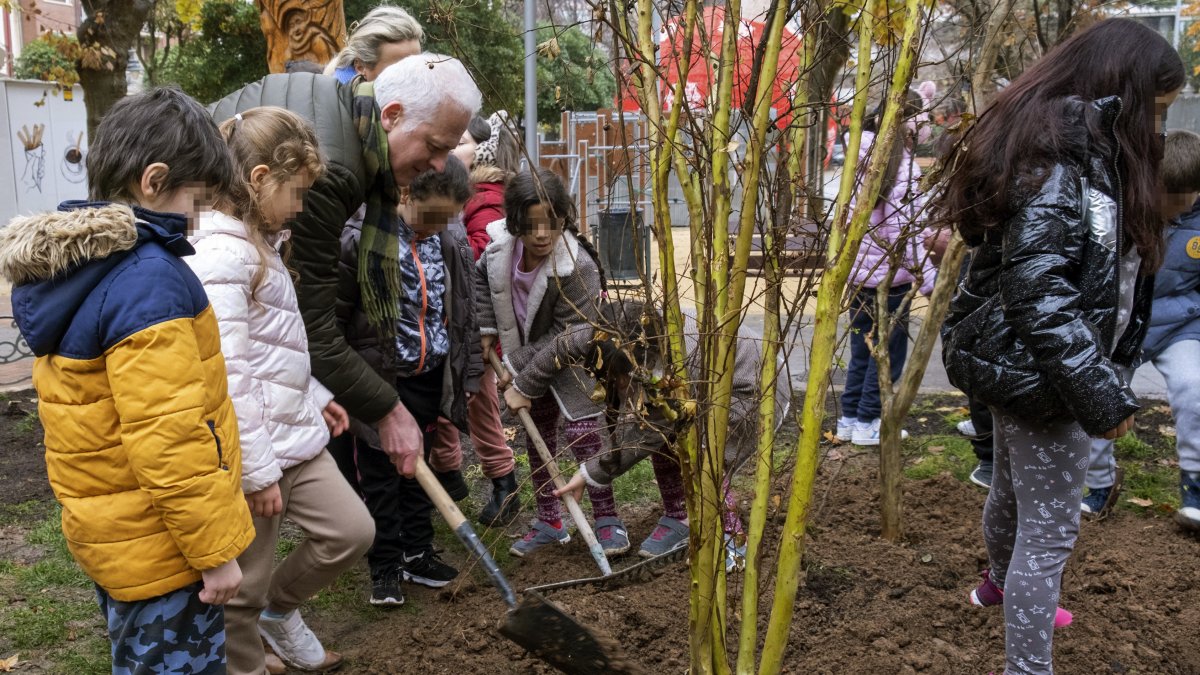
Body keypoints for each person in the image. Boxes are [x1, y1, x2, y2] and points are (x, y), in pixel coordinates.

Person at [937, 19, 1183, 675]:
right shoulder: (1063, 164)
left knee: (1014, 496)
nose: (1156, 131)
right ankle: (1028, 663)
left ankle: (997, 583)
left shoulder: (1073, 149)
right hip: (1049, 377)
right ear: (1121, 94)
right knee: (1048, 534)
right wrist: (1100, 394)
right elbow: (1040, 293)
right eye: (1154, 112)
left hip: (1023, 367)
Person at [211, 54, 483, 609]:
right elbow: (313, 326)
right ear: (392, 113)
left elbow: (290, 316)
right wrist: (388, 410)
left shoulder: (339, 107)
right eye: (432, 146)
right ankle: (245, 631)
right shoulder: (333, 170)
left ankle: (261, 622)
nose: (437, 166)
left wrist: (314, 392)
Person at [0, 88, 254, 671]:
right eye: (197, 201)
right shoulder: (148, 280)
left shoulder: (82, 270)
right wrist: (214, 553)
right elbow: (170, 439)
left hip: (121, 539)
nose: (196, 219)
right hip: (169, 551)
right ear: (154, 180)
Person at [187, 107, 376, 673]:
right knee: (241, 592)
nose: (300, 207)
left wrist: (316, 395)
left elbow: (273, 349)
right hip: (254, 458)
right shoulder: (221, 254)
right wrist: (258, 474)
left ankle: (279, 614)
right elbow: (230, 375)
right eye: (295, 193)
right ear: (259, 177)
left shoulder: (258, 242)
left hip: (295, 436)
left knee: (350, 532)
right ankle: (244, 661)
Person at [337, 152, 481, 605]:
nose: (438, 226)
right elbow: (336, 316)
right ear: (405, 193)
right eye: (432, 215)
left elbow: (463, 308)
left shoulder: (449, 239)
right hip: (379, 377)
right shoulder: (361, 238)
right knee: (379, 471)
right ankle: (385, 564)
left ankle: (418, 552)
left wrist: (468, 366)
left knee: (420, 468)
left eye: (448, 218)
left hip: (428, 372)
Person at [555, 300, 791, 570]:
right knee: (662, 429)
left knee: (704, 456)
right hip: (712, 392)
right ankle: (680, 518)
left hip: (756, 394)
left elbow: (652, 427)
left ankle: (732, 540)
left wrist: (589, 473)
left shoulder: (680, 357)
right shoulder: (650, 344)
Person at [476, 169, 630, 557]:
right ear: (515, 222)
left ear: (565, 218)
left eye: (552, 223)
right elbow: (483, 280)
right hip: (523, 352)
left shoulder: (579, 267)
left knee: (584, 434)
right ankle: (550, 521)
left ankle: (608, 519)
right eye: (531, 225)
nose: (542, 235)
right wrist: (486, 327)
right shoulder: (498, 251)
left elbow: (571, 335)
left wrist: (515, 363)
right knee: (537, 434)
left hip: (575, 358)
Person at [1081, 129, 1200, 524]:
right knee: (1100, 397)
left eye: (1181, 200)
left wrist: (1186, 310)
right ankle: (1098, 485)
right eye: (1163, 196)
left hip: (1179, 326)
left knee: (1194, 389)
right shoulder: (1124, 210)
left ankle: (1195, 488)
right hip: (1124, 327)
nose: (1169, 207)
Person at [431, 111, 525, 525]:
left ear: (480, 151)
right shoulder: (464, 191)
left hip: (474, 323)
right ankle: (448, 472)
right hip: (449, 316)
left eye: (461, 142)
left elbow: (481, 258)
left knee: (478, 402)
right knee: (442, 395)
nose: (452, 148)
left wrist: (433, 250)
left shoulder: (485, 197)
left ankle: (505, 482)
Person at [835, 89, 937, 447]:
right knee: (888, 355)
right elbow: (902, 230)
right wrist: (927, 277)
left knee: (862, 350)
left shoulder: (860, 155)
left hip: (861, 273)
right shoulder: (901, 165)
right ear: (913, 126)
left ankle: (849, 419)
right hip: (891, 279)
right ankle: (870, 420)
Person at [324, 5, 422, 84]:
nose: (412, 79)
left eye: (416, 67)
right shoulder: (336, 105)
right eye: (398, 71)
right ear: (361, 67)